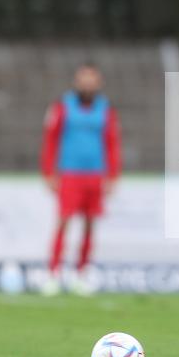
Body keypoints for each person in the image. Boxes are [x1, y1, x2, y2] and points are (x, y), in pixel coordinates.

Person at [40, 63, 121, 295]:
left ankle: (81, 274)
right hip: (70, 174)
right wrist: (48, 171)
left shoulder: (106, 109)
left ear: (99, 82)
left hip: (95, 175)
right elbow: (51, 140)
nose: (87, 83)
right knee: (64, 221)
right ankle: (53, 273)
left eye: (92, 79)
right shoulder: (62, 107)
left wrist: (113, 175)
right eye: (84, 78)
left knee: (89, 225)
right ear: (76, 81)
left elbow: (112, 143)